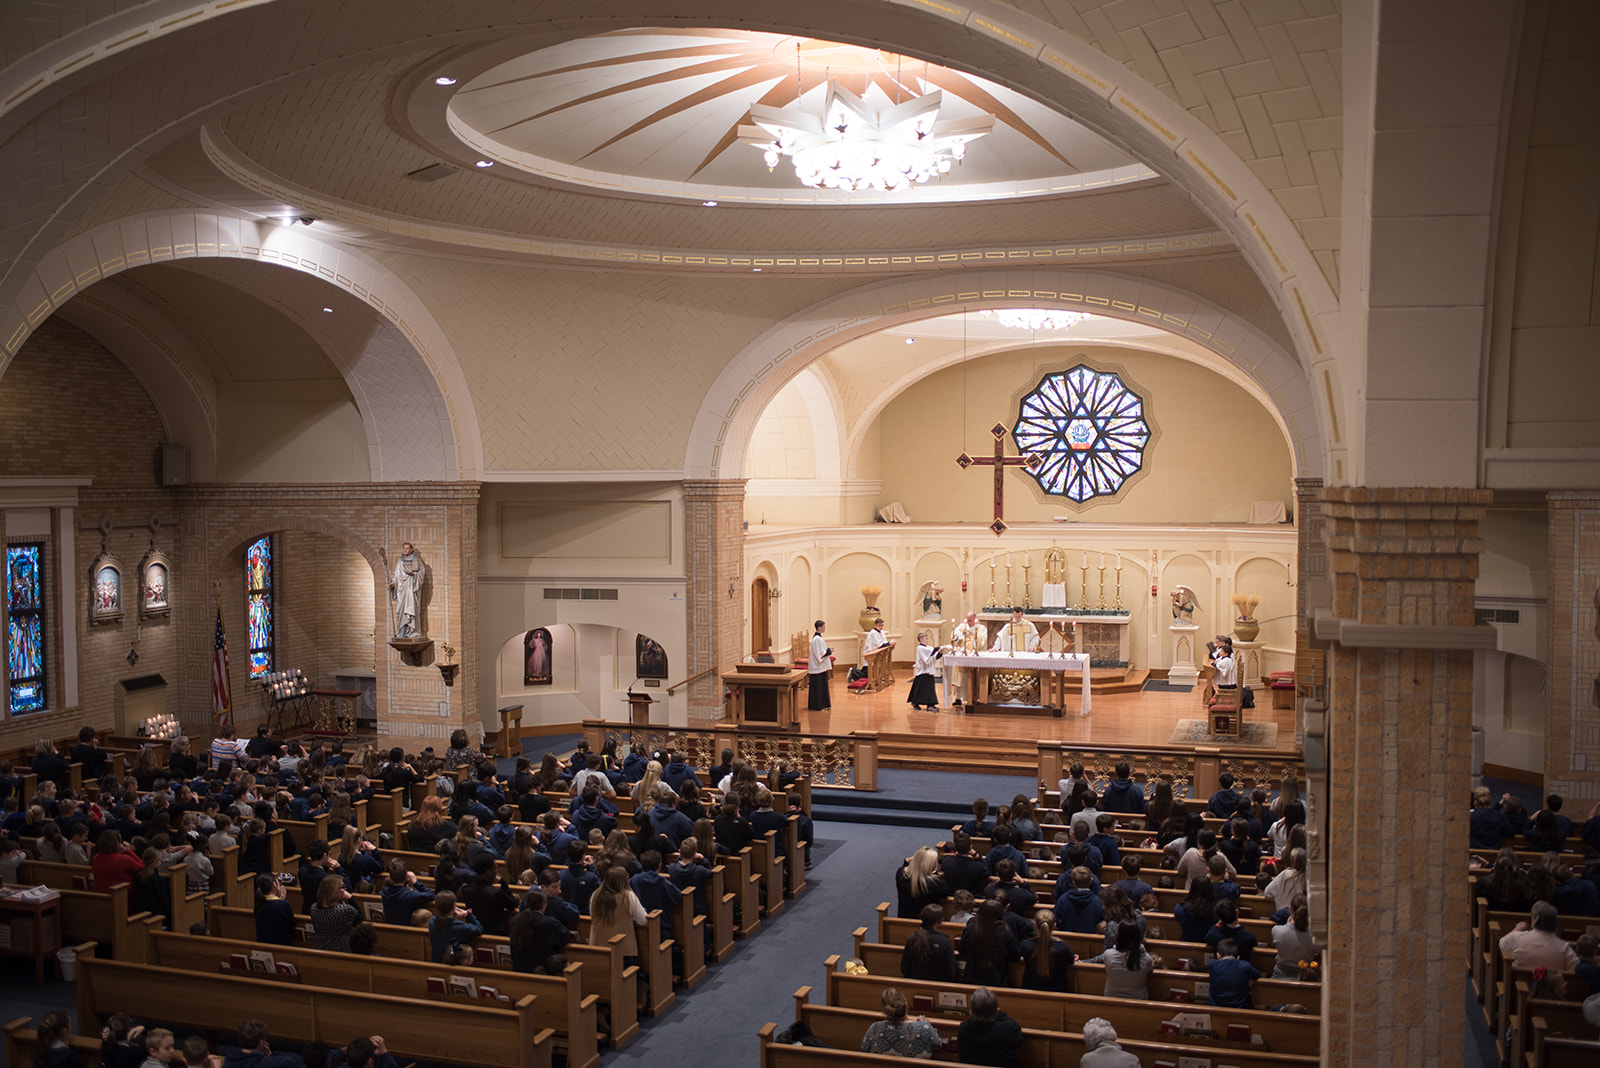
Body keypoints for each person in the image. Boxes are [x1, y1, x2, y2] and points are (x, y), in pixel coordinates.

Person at [589, 865, 647, 967]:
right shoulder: (629, 897)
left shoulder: (595, 895)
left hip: (599, 947)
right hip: (624, 949)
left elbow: (592, 915)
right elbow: (643, 920)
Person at [859, 987, 940, 1058]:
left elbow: (863, 1052)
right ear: (906, 1006)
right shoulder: (925, 1029)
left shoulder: (875, 1028)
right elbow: (938, 1045)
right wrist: (927, 1025)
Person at [1498, 900, 1580, 970]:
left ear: (1534, 919)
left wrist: (1516, 929)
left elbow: (1501, 944)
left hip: (1518, 986)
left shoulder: (1516, 937)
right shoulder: (1564, 948)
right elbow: (1575, 969)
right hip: (1551, 988)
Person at [1084, 923, 1156, 999]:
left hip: (1111, 1002)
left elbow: (1116, 950)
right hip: (1137, 1005)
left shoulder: (1109, 955)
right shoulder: (1146, 960)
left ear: (1119, 937)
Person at [959, 899, 1021, 986]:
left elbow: (962, 951)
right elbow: (1015, 955)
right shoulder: (1003, 930)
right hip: (996, 979)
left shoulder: (971, 926)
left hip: (972, 978)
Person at [509, 889, 571, 973]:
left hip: (519, 969)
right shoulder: (549, 923)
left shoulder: (515, 920)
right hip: (541, 971)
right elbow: (565, 938)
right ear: (544, 905)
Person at [956, 986, 1021, 1067]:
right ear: (996, 1010)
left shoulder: (964, 1029)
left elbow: (970, 1021)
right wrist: (997, 1012)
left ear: (972, 1012)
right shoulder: (1010, 1029)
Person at [1018, 908, 1075, 991]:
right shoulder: (1062, 948)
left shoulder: (1025, 945)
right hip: (1057, 993)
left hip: (1030, 991)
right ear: (1054, 926)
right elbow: (1070, 959)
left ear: (1035, 925)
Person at [901, 903, 959, 981]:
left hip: (915, 985)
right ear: (939, 922)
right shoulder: (944, 942)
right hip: (939, 987)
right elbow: (951, 972)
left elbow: (905, 969)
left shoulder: (911, 939)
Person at [427, 891, 483, 963]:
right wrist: (467, 915)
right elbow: (479, 929)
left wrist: (452, 914)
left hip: (436, 962)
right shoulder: (460, 926)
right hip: (455, 964)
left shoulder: (431, 922)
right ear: (454, 906)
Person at [309, 874, 360, 952]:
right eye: (342, 887)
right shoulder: (345, 910)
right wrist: (350, 898)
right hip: (341, 950)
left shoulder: (313, 908)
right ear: (334, 890)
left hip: (319, 949)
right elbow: (359, 919)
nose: (345, 889)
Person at [221, 1021, 303, 1068]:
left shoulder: (229, 1059)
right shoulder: (269, 1063)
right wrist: (271, 1054)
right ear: (261, 1043)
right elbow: (298, 1060)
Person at [896, 846, 949, 918]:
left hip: (904, 920)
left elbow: (906, 869)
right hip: (926, 923)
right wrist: (935, 873)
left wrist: (906, 862)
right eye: (934, 862)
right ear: (930, 865)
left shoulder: (900, 874)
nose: (936, 864)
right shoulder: (934, 882)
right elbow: (945, 892)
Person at [1207, 938, 1260, 1007]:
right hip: (1239, 1009)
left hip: (1215, 1008)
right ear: (1238, 958)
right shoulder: (1245, 966)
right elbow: (1257, 974)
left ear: (1218, 956)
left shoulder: (1213, 965)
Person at [948, 612, 987, 706]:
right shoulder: (962, 626)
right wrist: (959, 635)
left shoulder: (981, 628)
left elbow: (982, 641)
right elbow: (954, 636)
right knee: (960, 678)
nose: (968, 622)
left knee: (974, 677)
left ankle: (974, 697)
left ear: (975, 619)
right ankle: (958, 698)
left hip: (974, 654)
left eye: (970, 620)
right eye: (967, 620)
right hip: (963, 654)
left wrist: (973, 635)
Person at [389, 541, 425, 637]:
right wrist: (393, 583)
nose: (405, 550)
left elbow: (421, 573)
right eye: (404, 548)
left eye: (407, 548)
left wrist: (413, 574)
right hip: (402, 590)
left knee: (411, 609)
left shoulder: (416, 560)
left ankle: (412, 632)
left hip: (411, 590)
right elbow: (396, 576)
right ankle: (402, 632)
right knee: (400, 611)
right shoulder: (400, 561)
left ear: (411, 549)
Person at [1271, 903, 1317, 980]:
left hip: (1280, 974)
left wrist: (1287, 923)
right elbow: (1318, 950)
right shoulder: (1312, 936)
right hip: (1304, 976)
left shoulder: (1277, 930)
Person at [907, 630, 942, 710]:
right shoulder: (920, 648)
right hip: (923, 672)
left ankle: (921, 703)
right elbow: (926, 658)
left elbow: (933, 655)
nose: (927, 640)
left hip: (929, 671)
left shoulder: (928, 647)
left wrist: (940, 652)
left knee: (927, 689)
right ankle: (926, 704)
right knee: (921, 688)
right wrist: (937, 650)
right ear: (921, 639)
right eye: (926, 639)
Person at [808, 620, 833, 711]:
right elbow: (820, 654)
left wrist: (828, 650)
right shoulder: (817, 639)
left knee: (821, 686)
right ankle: (818, 705)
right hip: (817, 667)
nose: (825, 628)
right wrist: (829, 651)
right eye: (823, 626)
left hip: (819, 668)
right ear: (819, 628)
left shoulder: (818, 638)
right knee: (818, 687)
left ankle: (822, 704)